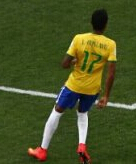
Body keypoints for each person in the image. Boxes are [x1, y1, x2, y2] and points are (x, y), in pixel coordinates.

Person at [28, 9, 117, 163]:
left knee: (57, 110)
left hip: (74, 85)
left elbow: (64, 64)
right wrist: (106, 96)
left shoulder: (79, 39)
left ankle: (42, 150)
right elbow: (111, 74)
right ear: (106, 25)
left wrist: (74, 62)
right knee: (82, 113)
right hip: (92, 89)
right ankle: (82, 147)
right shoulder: (110, 44)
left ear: (91, 23)